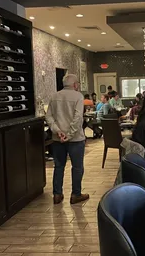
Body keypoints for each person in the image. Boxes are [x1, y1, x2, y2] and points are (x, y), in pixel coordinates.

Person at [46, 74, 89, 205]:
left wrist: (58, 131)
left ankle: (57, 194)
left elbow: (49, 117)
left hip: (57, 139)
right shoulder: (78, 96)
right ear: (75, 85)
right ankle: (76, 194)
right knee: (77, 167)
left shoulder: (54, 96)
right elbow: (78, 118)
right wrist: (69, 135)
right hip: (75, 139)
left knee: (59, 166)